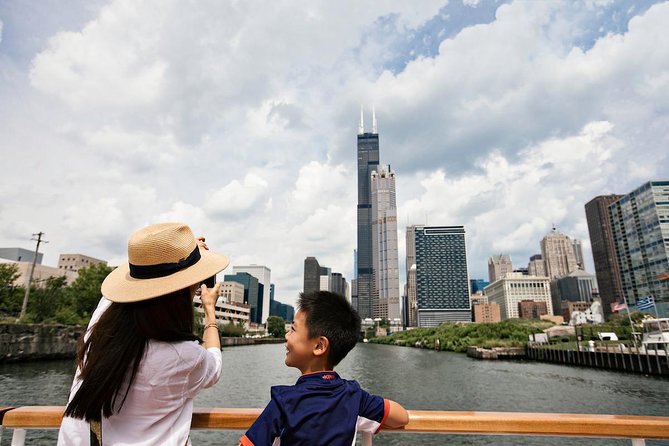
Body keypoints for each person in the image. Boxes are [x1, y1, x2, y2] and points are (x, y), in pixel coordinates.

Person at [57, 222, 230, 446]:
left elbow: (130, 281)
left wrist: (173, 256)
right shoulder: (185, 356)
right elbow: (214, 365)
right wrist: (209, 309)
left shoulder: (99, 330)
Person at [240, 291, 409, 446]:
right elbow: (401, 417)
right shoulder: (354, 396)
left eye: (292, 329)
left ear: (320, 345)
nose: (286, 335)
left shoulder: (285, 401)